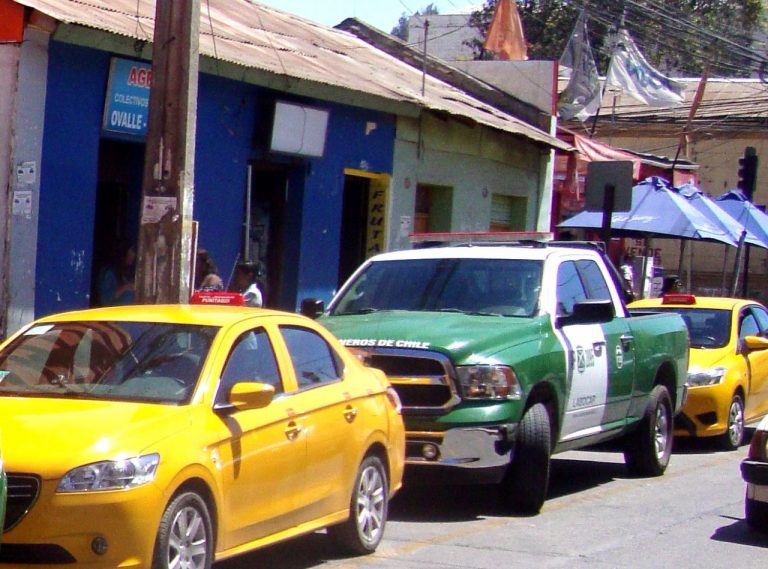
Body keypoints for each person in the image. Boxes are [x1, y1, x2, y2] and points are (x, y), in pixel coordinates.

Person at [97, 241, 136, 306]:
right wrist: (125, 287)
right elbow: (105, 300)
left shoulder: (125, 270)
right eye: (129, 254)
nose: (133, 256)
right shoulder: (109, 272)